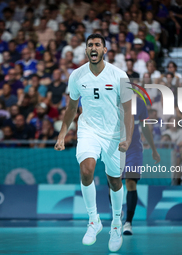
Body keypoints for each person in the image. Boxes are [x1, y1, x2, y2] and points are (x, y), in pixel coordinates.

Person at [54, 34, 134, 252]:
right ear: (86, 50)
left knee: (114, 180)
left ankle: (116, 222)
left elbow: (128, 111)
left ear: (105, 50)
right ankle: (93, 220)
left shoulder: (119, 75)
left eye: (97, 44)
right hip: (88, 129)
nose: (93, 48)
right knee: (86, 170)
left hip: (114, 133)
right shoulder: (77, 75)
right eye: (90, 45)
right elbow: (71, 108)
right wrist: (62, 134)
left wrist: (127, 137)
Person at [121, 97, 161, 235]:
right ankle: (116, 213)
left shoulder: (138, 102)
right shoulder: (109, 98)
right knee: (113, 184)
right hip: (114, 148)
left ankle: (128, 223)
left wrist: (154, 150)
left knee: (131, 182)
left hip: (133, 149)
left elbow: (144, 126)